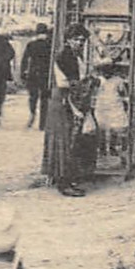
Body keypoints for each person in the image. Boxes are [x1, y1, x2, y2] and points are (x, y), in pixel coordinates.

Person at [49, 27, 90, 196]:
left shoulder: (74, 55)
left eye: (82, 40)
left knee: (71, 140)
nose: (79, 43)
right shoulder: (64, 56)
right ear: (68, 40)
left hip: (70, 97)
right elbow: (64, 83)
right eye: (76, 39)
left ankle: (67, 177)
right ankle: (63, 183)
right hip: (64, 99)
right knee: (65, 141)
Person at [19, 27, 53, 130]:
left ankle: (32, 113)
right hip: (46, 74)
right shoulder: (50, 45)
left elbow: (24, 60)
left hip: (33, 73)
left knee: (33, 96)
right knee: (44, 99)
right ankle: (42, 123)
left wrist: (23, 73)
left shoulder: (31, 44)